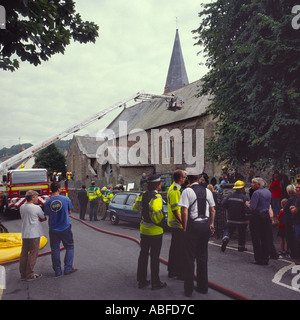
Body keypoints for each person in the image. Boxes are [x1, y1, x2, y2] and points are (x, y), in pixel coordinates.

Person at [179, 171, 215, 297]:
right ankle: (203, 286)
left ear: (188, 179)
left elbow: (184, 211)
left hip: (193, 225)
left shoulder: (187, 191)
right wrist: (211, 224)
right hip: (205, 224)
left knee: (189, 257)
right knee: (202, 256)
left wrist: (185, 226)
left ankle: (188, 290)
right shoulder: (208, 191)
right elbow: (212, 210)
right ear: (199, 179)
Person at [133, 174, 167, 290]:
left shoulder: (142, 195)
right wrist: (162, 222)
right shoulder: (157, 198)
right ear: (157, 185)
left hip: (144, 230)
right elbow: (156, 212)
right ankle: (155, 283)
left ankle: (141, 281)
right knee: (154, 257)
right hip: (155, 231)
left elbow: (135, 207)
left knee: (143, 255)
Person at [44, 182, 77, 277]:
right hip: (65, 227)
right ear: (59, 189)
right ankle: (68, 268)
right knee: (70, 246)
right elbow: (69, 211)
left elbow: (47, 214)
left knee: (55, 249)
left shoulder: (48, 202)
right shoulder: (66, 199)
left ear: (51, 190)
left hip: (53, 228)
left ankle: (57, 271)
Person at [19, 190, 46, 281]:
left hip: (25, 233)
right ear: (33, 198)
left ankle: (23, 274)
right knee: (33, 254)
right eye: (36, 196)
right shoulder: (36, 208)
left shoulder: (22, 207)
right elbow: (43, 217)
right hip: (34, 233)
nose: (38, 198)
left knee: (24, 254)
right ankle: (30, 274)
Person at [246, 177, 272, 265]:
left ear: (258, 185)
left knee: (256, 238)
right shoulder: (268, 192)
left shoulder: (256, 193)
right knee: (265, 237)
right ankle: (266, 258)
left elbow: (252, 207)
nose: (251, 184)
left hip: (257, 216)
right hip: (266, 215)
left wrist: (247, 204)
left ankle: (259, 259)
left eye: (253, 183)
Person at [221, 180, 250, 252]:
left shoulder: (229, 196)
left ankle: (225, 238)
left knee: (228, 230)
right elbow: (247, 209)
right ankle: (241, 247)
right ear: (242, 189)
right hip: (242, 220)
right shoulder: (244, 198)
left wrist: (230, 208)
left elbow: (223, 204)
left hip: (231, 218)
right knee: (242, 233)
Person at [167, 169, 186, 280]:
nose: (185, 178)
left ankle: (172, 270)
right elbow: (175, 210)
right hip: (177, 224)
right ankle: (176, 271)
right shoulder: (174, 191)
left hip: (175, 224)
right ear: (179, 178)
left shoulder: (175, 189)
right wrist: (183, 223)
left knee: (174, 247)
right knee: (178, 248)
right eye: (184, 176)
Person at [289, 182, 300, 263]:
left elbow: (295, 211)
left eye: (299, 187)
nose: (297, 189)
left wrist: (292, 208)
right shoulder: (297, 198)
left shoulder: (299, 199)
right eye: (296, 187)